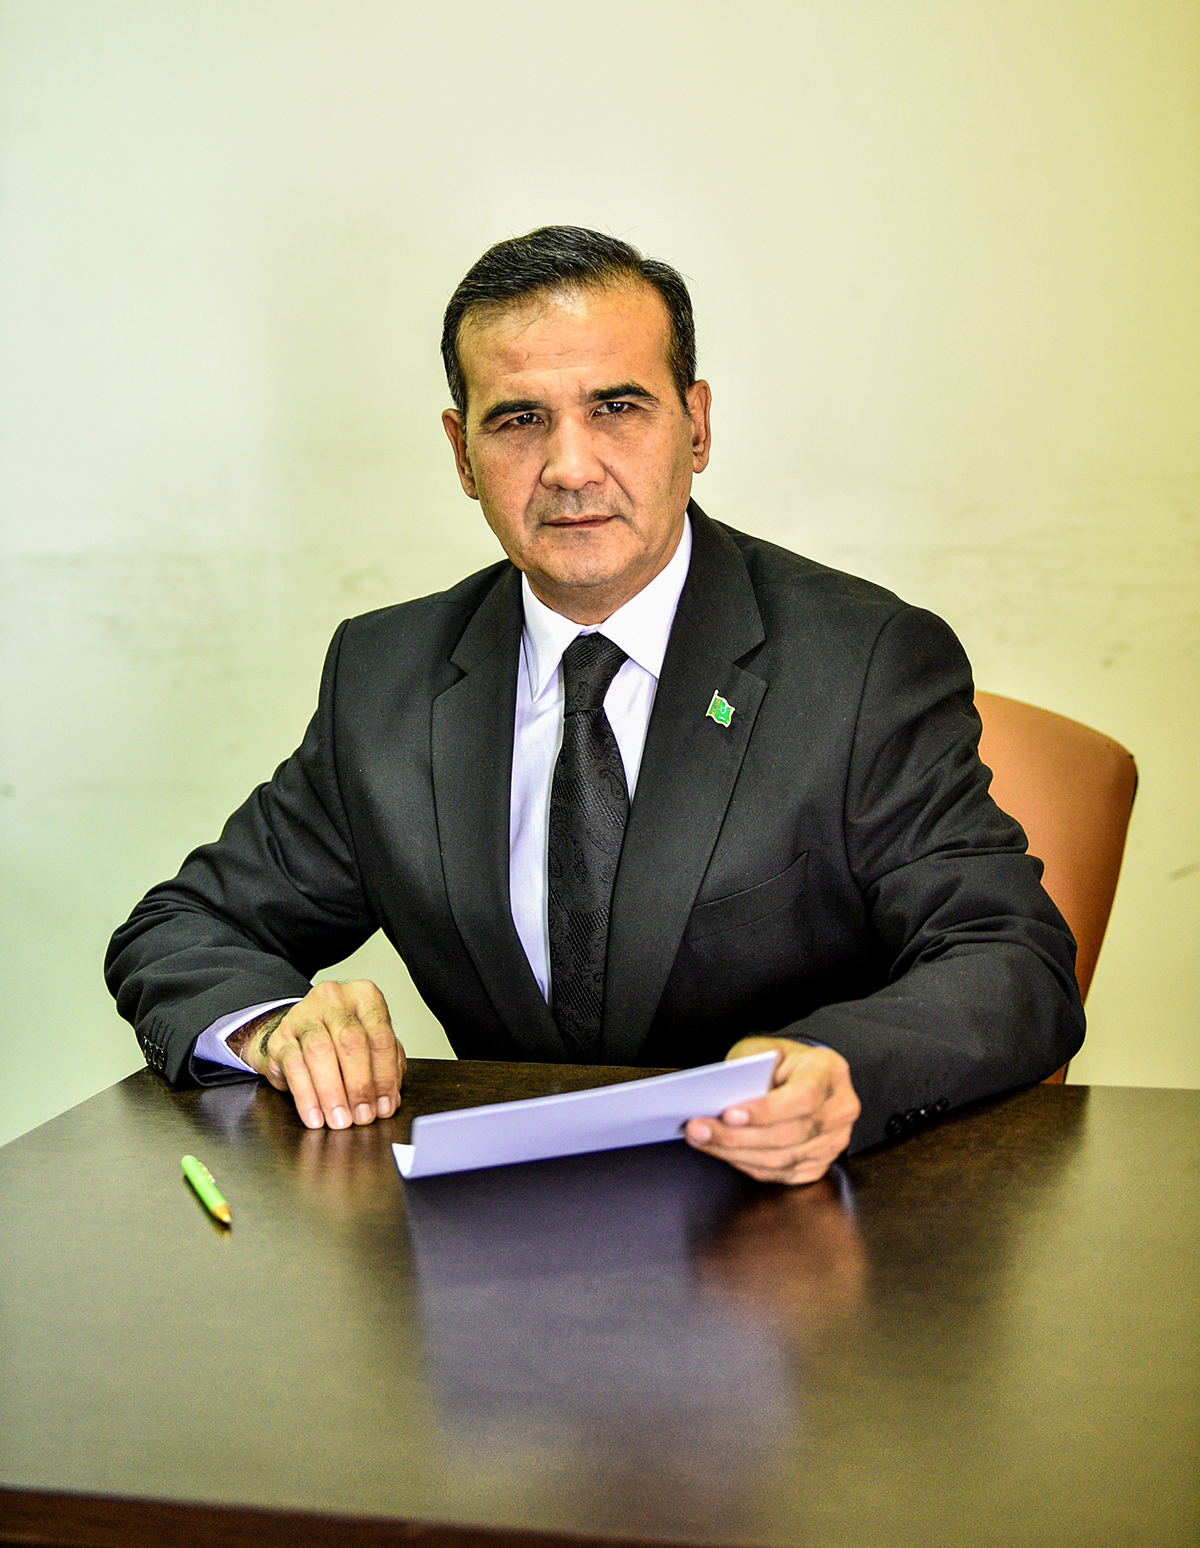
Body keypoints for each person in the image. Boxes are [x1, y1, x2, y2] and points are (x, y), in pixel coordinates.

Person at [106, 226, 1084, 1185]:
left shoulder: (861, 662)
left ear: (696, 426)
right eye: (518, 420)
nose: (570, 466)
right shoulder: (386, 677)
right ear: (461, 455)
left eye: (617, 407)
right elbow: (184, 927)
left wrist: (842, 1070)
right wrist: (273, 1027)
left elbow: (1011, 958)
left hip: (785, 1223)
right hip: (501, 1234)